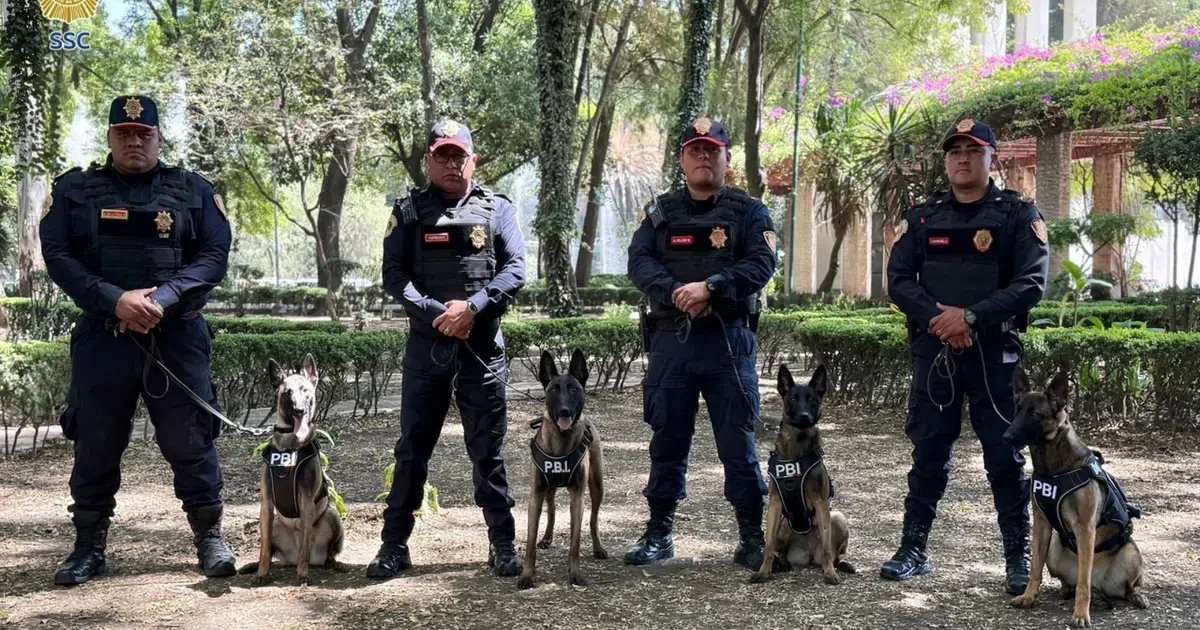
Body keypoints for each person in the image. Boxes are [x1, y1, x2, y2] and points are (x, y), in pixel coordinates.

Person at [40, 95, 236, 585]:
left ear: (158, 138)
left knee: (190, 438)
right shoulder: (74, 190)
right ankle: (88, 546)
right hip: (104, 337)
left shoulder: (193, 190)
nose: (134, 142)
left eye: (143, 134)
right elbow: (58, 255)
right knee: (96, 441)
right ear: (110, 137)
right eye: (124, 133)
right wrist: (115, 300)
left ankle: (210, 538)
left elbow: (214, 256)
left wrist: (161, 300)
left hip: (176, 336)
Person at [882, 117, 1050, 595]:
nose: (962, 158)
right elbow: (899, 281)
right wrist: (941, 320)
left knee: (1004, 455)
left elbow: (1031, 283)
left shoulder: (1017, 215)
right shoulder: (922, 217)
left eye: (973, 150)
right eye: (955, 151)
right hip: (935, 352)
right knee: (929, 451)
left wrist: (971, 318)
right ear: (946, 161)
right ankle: (913, 548)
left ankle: (1019, 558)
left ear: (991, 158)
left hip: (994, 355)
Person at [368, 119, 527, 579]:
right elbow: (394, 275)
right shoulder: (408, 211)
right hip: (427, 351)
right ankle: (393, 546)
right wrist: (440, 313)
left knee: (488, 453)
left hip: (482, 349)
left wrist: (473, 308)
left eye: (459, 155)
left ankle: (502, 544)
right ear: (428, 161)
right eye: (443, 155)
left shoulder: (498, 209)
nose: (452, 164)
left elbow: (516, 268)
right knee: (412, 452)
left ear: (473, 161)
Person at [624, 117, 778, 570]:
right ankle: (659, 533)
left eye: (713, 150)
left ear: (727, 159)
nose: (704, 157)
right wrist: (677, 291)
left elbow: (763, 262)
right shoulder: (661, 212)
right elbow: (639, 261)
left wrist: (712, 287)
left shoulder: (749, 212)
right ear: (683, 159)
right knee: (667, 440)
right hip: (672, 342)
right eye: (696, 150)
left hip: (728, 342)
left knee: (738, 442)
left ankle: (751, 537)